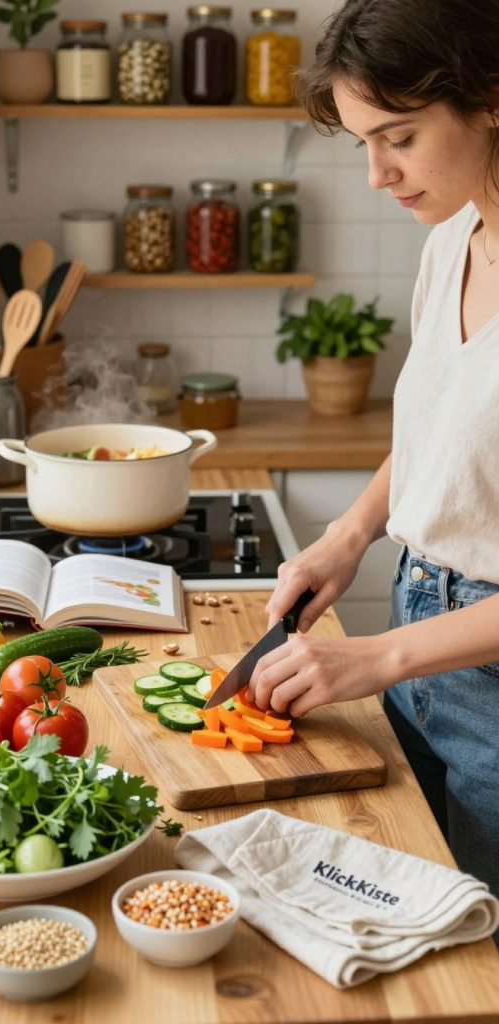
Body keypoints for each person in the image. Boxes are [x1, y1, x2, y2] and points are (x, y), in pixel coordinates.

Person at [248, 0, 499, 940]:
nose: (376, 174)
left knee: (478, 971)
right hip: (413, 631)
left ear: (489, 99)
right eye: (362, 141)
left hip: (483, 683)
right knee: (412, 940)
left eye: (397, 137)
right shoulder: (449, 244)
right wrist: (347, 535)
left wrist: (378, 656)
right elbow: (440, 430)